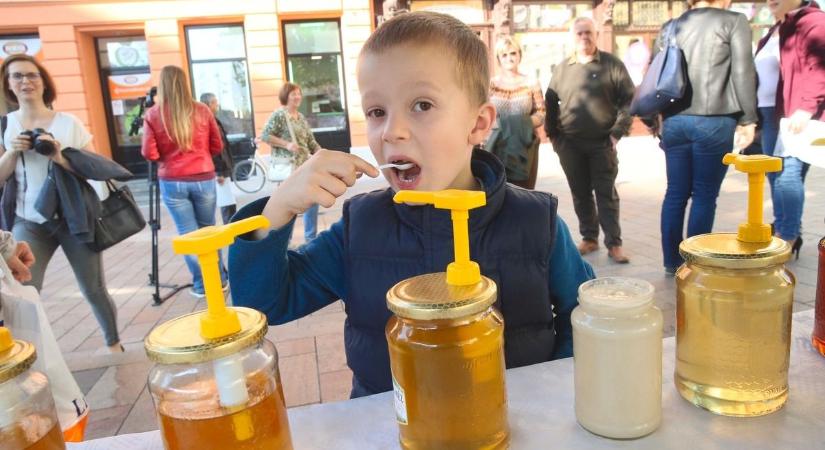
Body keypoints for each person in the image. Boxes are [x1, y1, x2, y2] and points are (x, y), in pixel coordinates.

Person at [229, 11, 595, 398]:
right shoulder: (360, 229)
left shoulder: (536, 223)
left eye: (421, 105)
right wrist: (278, 208)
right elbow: (264, 303)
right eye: (376, 112)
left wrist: (551, 390)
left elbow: (586, 313)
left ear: (478, 124)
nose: (392, 132)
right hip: (389, 427)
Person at [0, 54, 124, 353]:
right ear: (9, 85)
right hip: (28, 220)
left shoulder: (68, 123)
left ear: (44, 82)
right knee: (26, 289)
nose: (25, 81)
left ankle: (114, 344)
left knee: (93, 288)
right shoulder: (5, 125)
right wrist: (12, 152)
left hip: (73, 218)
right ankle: (29, 352)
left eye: (32, 75)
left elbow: (94, 168)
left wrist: (58, 154)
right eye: (17, 76)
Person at [653, 0, 758, 275]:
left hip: (675, 120)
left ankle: (670, 262)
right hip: (715, 119)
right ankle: (695, 264)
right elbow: (743, 71)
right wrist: (748, 119)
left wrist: (657, 118)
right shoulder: (733, 21)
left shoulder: (670, 27)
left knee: (675, 194)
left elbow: (655, 75)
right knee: (704, 195)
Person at [544, 17, 635, 264]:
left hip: (602, 143)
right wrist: (554, 137)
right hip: (570, 145)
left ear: (596, 34)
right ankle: (589, 237)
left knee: (606, 194)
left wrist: (617, 132)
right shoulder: (563, 69)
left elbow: (629, 101)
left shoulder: (612, 65)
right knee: (580, 193)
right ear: (573, 38)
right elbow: (550, 104)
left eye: (588, 32)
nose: (584, 37)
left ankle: (614, 244)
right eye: (580, 33)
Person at [141, 65, 226, 298]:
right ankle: (218, 279)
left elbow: (150, 153)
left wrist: (167, 156)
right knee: (209, 230)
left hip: (172, 180)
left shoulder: (153, 114)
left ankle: (201, 284)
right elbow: (217, 145)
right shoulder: (202, 110)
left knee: (189, 234)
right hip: (203, 175)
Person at [763, 0, 824, 257]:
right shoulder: (781, 26)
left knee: (788, 175)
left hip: (798, 116)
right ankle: (785, 228)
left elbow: (820, 67)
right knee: (776, 175)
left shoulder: (814, 22)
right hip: (774, 115)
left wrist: (806, 106)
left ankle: (787, 236)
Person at [258, 83, 321, 243]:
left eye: (299, 94)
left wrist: (322, 154)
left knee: (312, 201)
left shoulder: (300, 117)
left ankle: (310, 240)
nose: (297, 97)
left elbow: (310, 141)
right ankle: (285, 242)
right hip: (289, 169)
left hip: (305, 167)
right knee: (289, 207)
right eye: (294, 94)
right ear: (286, 96)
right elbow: (265, 135)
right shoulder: (280, 114)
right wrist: (286, 144)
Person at [486, 35, 546, 189]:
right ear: (498, 59)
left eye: (513, 53)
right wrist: (501, 125)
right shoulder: (490, 84)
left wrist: (518, 124)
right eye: (504, 55)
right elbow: (482, 113)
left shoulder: (531, 82)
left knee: (523, 192)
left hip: (524, 144)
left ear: (520, 55)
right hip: (497, 143)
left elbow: (541, 113)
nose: (509, 58)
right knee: (496, 189)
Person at [199, 93, 236, 224]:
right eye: (214, 102)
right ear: (208, 105)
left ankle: (232, 233)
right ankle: (231, 235)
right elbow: (213, 149)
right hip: (220, 169)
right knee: (227, 205)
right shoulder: (207, 122)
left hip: (223, 167)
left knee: (229, 204)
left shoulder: (213, 120)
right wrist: (218, 172)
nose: (217, 105)